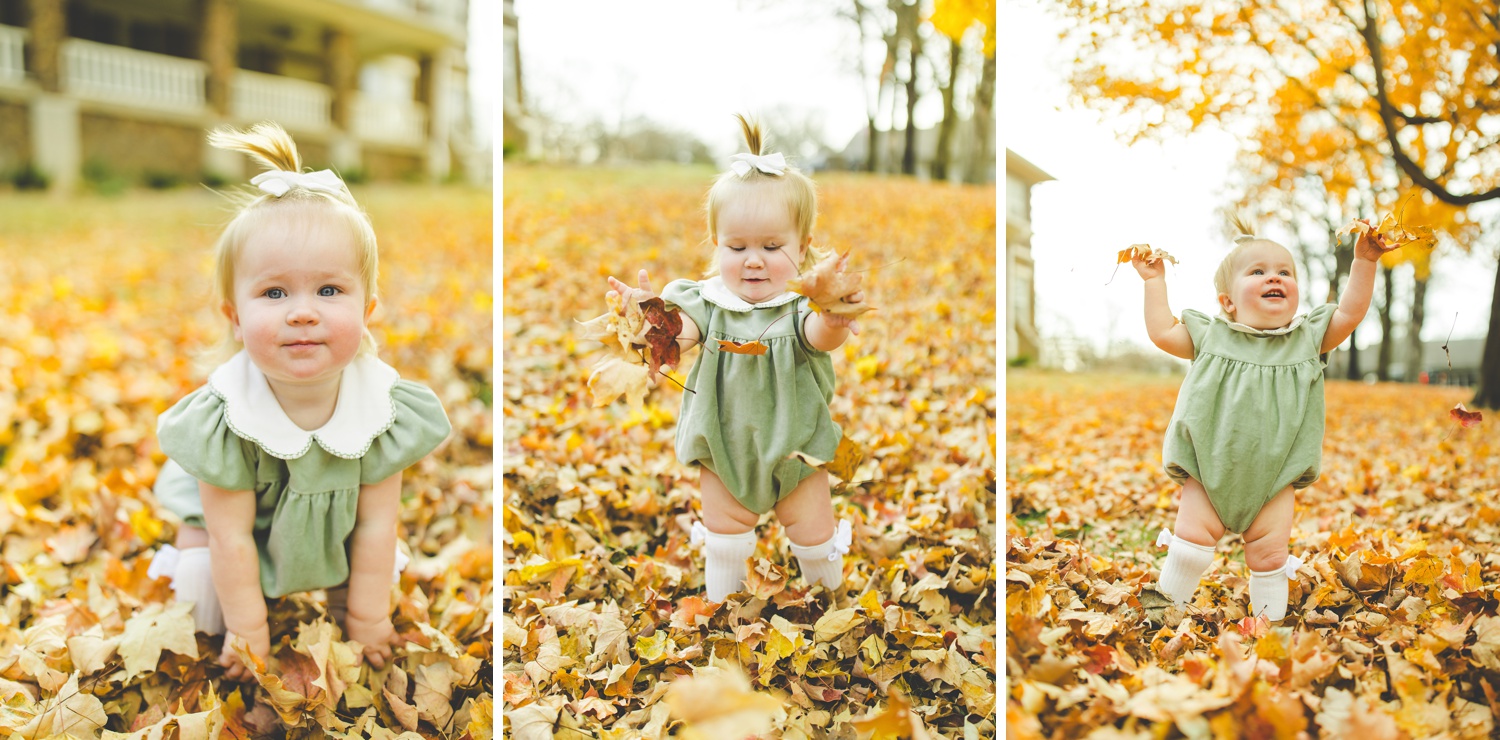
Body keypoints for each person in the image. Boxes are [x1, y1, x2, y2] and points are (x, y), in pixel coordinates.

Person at [148, 122, 451, 679]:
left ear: (368, 312)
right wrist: (249, 633)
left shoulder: (379, 410)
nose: (303, 312)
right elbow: (232, 535)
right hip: (237, 532)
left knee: (370, 558)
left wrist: (366, 618)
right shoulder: (227, 422)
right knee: (202, 579)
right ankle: (220, 597)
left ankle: (338, 590)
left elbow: (377, 526)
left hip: (326, 530)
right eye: (274, 292)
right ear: (235, 319)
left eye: (329, 290)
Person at [606, 115, 866, 602]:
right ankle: (722, 611)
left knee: (814, 533)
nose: (753, 260)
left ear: (802, 247)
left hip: (798, 443)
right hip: (724, 444)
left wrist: (831, 320)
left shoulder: (797, 307)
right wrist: (652, 323)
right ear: (716, 244)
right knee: (725, 535)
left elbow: (815, 337)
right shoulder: (705, 301)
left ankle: (833, 609)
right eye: (737, 246)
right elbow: (681, 336)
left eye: (771, 246)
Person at [1134, 216, 1394, 622]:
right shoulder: (1211, 335)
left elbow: (1350, 313)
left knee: (1270, 554)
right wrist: (1154, 283)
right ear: (1227, 301)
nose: (1275, 277)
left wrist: (1364, 261)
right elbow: (1162, 332)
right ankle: (1162, 616)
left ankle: (1269, 629)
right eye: (1258, 272)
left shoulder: (1307, 338)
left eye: (1284, 272)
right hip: (1209, 463)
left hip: (1275, 476)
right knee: (1189, 544)